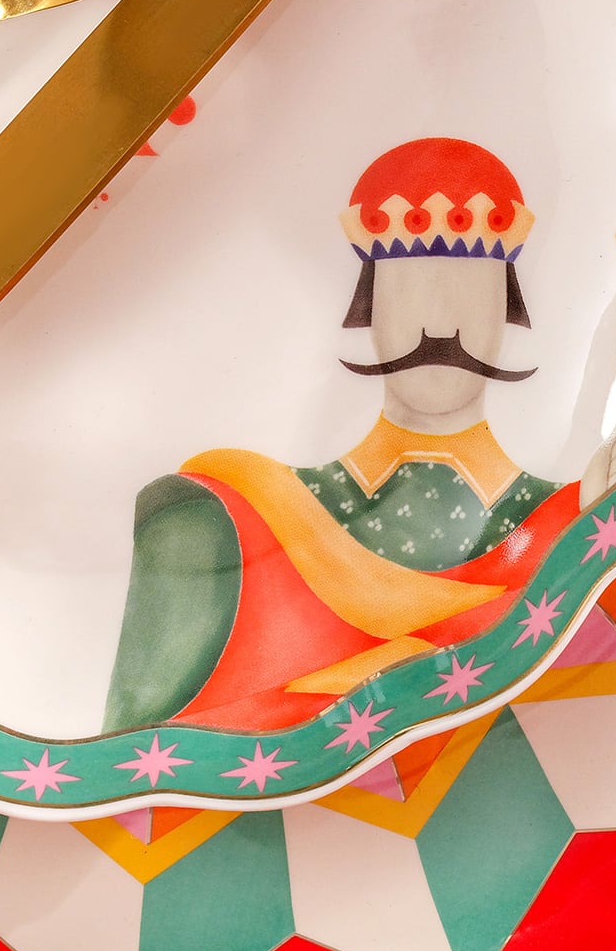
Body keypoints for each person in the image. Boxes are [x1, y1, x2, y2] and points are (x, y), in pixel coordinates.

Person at [102, 136, 588, 734]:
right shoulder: (232, 516)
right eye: (409, 291)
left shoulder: (569, 519)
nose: (440, 324)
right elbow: (139, 750)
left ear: (507, 310)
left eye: (469, 292)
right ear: (369, 307)